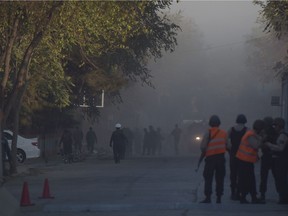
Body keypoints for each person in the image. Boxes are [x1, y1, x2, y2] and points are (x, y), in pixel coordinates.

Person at [236, 119, 266, 204]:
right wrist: (263, 139)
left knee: (250, 180)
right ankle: (244, 197)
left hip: (247, 161)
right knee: (245, 180)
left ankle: (252, 197)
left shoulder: (252, 134)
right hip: (244, 161)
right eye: (262, 129)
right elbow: (256, 145)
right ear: (259, 128)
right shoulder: (250, 135)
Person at [200, 115, 228, 204]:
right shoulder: (224, 133)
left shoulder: (208, 133)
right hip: (220, 158)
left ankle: (208, 197)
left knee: (208, 178)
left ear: (210, 123)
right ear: (219, 123)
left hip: (210, 159)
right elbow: (228, 146)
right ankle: (219, 197)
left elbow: (203, 147)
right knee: (220, 178)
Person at [264, 117, 288, 204]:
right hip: (278, 160)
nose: (274, 127)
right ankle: (282, 196)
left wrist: (270, 145)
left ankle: (284, 197)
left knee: (281, 179)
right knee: (279, 179)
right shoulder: (279, 134)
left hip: (282, 160)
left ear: (280, 126)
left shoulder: (283, 135)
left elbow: (280, 148)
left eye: (275, 125)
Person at [227, 114, 248, 200]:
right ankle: (239, 192)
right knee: (241, 174)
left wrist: (230, 150)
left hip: (233, 154)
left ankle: (233, 192)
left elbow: (227, 141)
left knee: (233, 174)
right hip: (243, 155)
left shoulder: (231, 129)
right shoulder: (247, 130)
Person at [259, 116, 278, 201]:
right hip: (274, 157)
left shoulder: (263, 132)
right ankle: (281, 194)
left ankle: (262, 195)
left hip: (266, 156)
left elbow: (261, 144)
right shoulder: (276, 132)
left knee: (263, 177)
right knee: (277, 177)